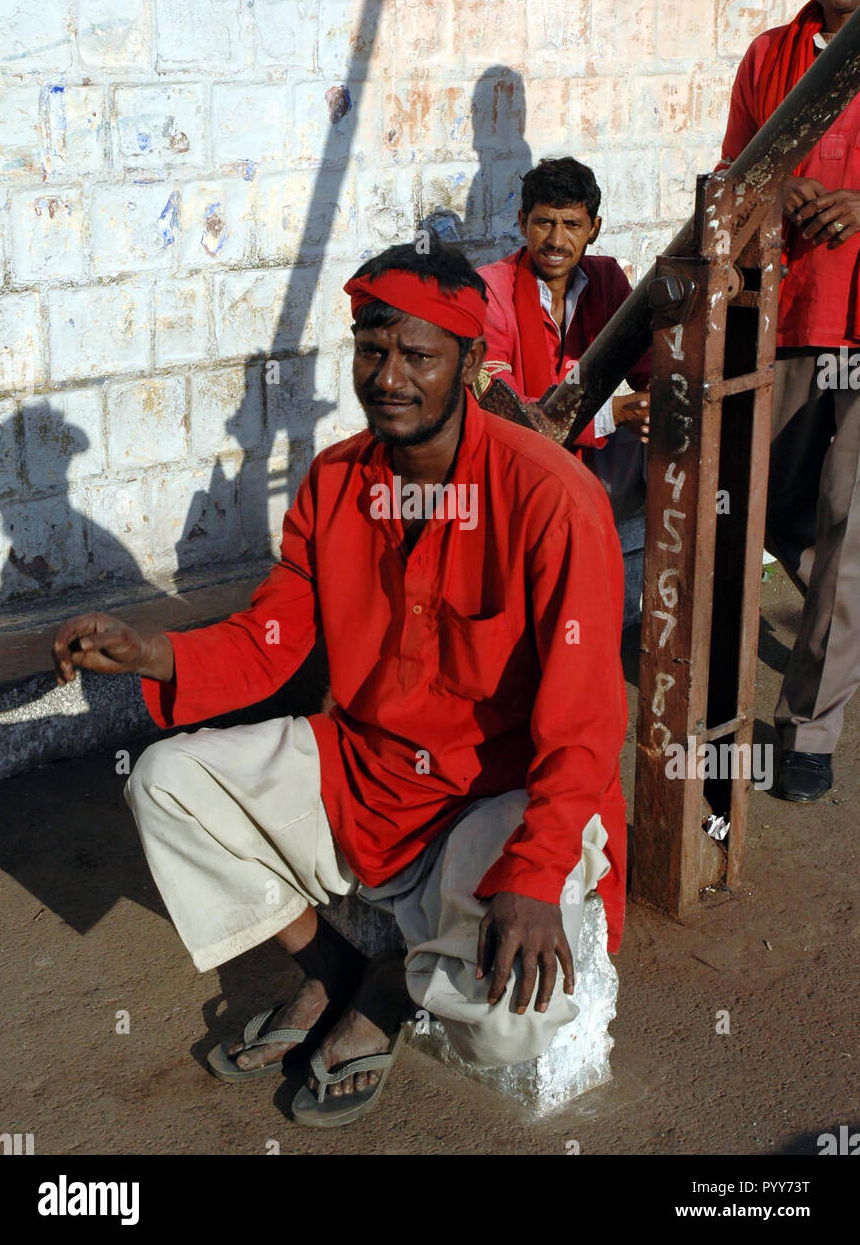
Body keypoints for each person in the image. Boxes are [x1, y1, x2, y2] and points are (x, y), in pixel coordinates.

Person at [51, 239, 628, 1128]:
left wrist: (538, 869)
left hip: (492, 797)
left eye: (418, 356)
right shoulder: (335, 480)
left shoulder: (551, 498)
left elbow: (585, 716)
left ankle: (403, 983)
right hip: (365, 774)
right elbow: (274, 637)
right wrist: (156, 654)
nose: (389, 376)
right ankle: (342, 973)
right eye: (371, 349)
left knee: (515, 1027)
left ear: (471, 365)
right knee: (166, 784)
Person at [719, 0, 860, 803]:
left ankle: (807, 729)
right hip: (793, 317)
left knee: (852, 527)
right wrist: (781, 193)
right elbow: (728, 183)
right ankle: (843, 613)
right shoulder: (774, 55)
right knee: (759, 509)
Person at [475, 156, 650, 521]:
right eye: (544, 222)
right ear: (523, 222)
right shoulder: (490, 290)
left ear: (594, 229)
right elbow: (505, 415)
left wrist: (652, 405)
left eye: (571, 224)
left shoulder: (607, 279)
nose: (556, 240)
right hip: (512, 465)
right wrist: (616, 413)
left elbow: (651, 365)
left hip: (590, 463)